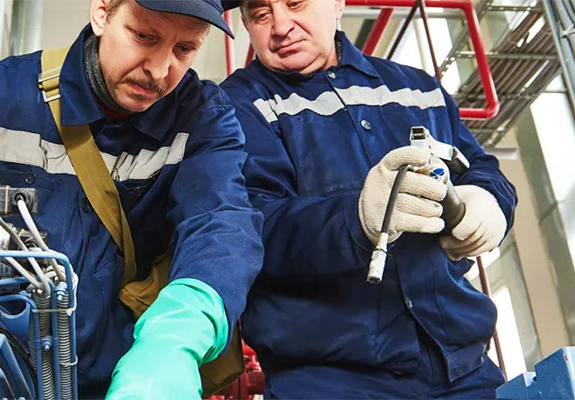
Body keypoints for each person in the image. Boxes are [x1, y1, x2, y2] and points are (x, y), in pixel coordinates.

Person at [0, 0, 264, 397]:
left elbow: (221, 221)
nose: (160, 70)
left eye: (184, 49)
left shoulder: (201, 117)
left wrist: (177, 337)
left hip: (117, 377)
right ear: (102, 12)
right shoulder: (0, 96)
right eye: (144, 36)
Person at [220, 0, 518, 398]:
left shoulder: (419, 90)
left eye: (295, 3)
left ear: (338, 4)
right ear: (245, 24)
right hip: (328, 381)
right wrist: (355, 219)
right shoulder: (235, 108)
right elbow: (248, 228)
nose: (280, 26)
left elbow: (478, 165)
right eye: (260, 14)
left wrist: (489, 199)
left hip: (464, 369)